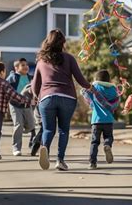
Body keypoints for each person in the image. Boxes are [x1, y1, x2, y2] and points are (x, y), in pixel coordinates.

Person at [31, 29, 92, 171]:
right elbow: (80, 80)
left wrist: (37, 96)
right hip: (67, 97)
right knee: (64, 129)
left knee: (48, 129)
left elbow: (35, 86)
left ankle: (44, 148)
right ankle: (60, 160)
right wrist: (91, 88)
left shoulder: (41, 61)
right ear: (63, 43)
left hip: (47, 98)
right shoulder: (69, 58)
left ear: (47, 42)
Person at [81, 70, 120, 170]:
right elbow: (116, 102)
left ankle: (92, 163)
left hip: (96, 120)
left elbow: (85, 93)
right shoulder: (113, 89)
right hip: (108, 120)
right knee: (109, 137)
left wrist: (85, 89)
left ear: (96, 79)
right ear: (109, 79)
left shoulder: (95, 88)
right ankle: (107, 145)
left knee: (94, 142)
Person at [7, 58, 36, 156]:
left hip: (27, 105)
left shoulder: (31, 78)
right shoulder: (13, 77)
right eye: (22, 65)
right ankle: (16, 148)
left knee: (32, 126)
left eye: (26, 65)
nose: (26, 67)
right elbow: (5, 87)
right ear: (16, 68)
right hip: (15, 105)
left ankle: (33, 142)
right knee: (19, 125)